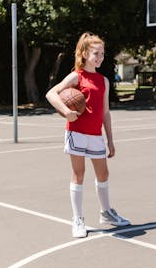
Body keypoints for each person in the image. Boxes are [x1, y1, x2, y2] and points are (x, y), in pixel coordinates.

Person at [46, 32, 130, 238]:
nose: (100, 57)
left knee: (103, 174)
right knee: (79, 174)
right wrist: (66, 112)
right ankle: (78, 219)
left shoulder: (104, 81)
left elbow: (105, 112)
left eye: (102, 53)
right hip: (76, 132)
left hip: (95, 135)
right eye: (95, 53)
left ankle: (106, 213)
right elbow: (51, 94)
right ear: (84, 54)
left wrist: (110, 139)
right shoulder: (77, 76)